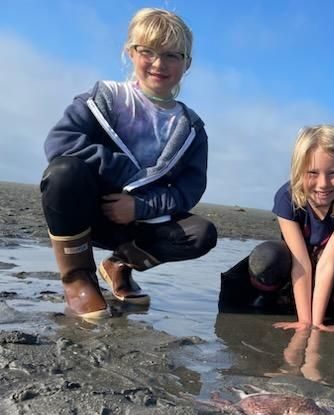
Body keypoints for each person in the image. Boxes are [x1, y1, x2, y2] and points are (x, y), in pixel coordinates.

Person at [40, 8, 217, 320]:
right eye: (147, 51)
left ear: (187, 63)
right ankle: (78, 279)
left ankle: (118, 265)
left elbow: (188, 191)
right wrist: (127, 176)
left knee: (201, 233)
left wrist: (139, 206)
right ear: (130, 52)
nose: (159, 64)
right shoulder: (103, 98)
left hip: (139, 222)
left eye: (172, 55)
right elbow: (60, 142)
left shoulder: (191, 128)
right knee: (63, 173)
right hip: (88, 213)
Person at [218, 124, 334, 330]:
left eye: (333, 173)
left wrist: (317, 326)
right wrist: (305, 323)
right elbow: (301, 263)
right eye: (313, 172)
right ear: (298, 171)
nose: (323, 184)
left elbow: (327, 262)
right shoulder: (286, 197)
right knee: (266, 257)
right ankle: (273, 302)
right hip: (295, 263)